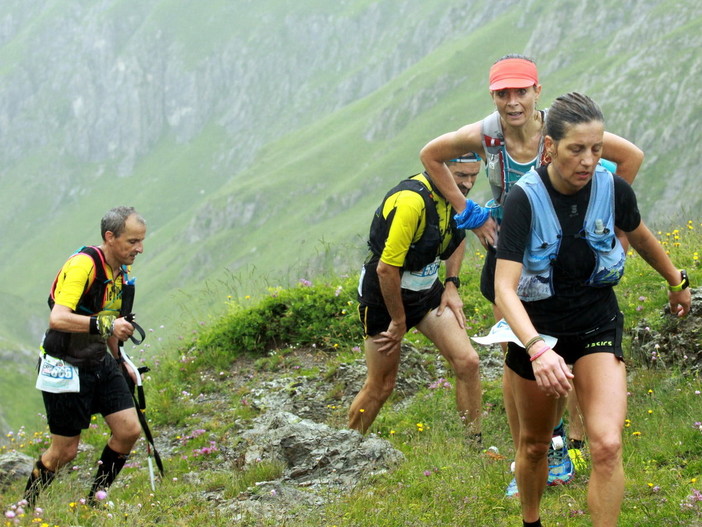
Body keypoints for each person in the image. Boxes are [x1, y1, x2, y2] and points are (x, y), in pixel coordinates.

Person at [419, 54, 645, 494]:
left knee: (578, 343)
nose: (512, 101)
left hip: (568, 261)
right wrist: (469, 214)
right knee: (519, 350)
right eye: (503, 93)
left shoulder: (562, 131)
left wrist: (615, 230)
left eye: (521, 91)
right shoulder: (486, 135)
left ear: (537, 91)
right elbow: (431, 156)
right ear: (493, 96)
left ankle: (568, 442)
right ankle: (533, 446)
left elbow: (629, 158)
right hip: (515, 259)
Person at [493, 92, 691, 527]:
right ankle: (532, 520)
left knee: (606, 444)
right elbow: (504, 290)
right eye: (576, 149)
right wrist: (536, 349)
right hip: (539, 334)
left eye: (597, 149)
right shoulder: (522, 201)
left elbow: (639, 236)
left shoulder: (612, 188)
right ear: (550, 148)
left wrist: (677, 282)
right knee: (533, 445)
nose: (588, 160)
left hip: (597, 323)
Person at [349, 154, 489, 442]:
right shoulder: (412, 201)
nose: (467, 183)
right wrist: (398, 321)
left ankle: (473, 441)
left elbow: (459, 235)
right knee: (382, 385)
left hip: (427, 292)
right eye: (461, 174)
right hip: (385, 296)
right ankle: (345, 446)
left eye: (474, 175)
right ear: (439, 169)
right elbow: (386, 269)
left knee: (468, 362)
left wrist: (451, 283)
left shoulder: (455, 197)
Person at [24, 206, 147, 507]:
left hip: (99, 361)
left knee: (129, 430)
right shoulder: (84, 265)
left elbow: (111, 324)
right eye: (132, 241)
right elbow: (59, 318)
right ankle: (26, 506)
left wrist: (120, 362)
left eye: (141, 241)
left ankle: (94, 502)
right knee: (64, 453)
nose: (140, 249)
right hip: (64, 364)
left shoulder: (121, 273)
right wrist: (108, 325)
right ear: (110, 236)